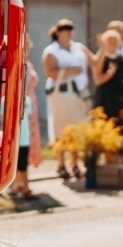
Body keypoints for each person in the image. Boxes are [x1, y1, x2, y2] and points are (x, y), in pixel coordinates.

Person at [42, 19, 90, 178]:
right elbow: (49, 72)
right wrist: (71, 71)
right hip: (61, 95)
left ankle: (75, 163)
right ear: (57, 32)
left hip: (77, 94)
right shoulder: (51, 51)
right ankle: (61, 164)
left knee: (75, 129)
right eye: (64, 29)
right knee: (61, 129)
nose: (68, 32)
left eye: (70, 29)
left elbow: (94, 61)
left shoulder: (77, 48)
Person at [10, 41, 44, 199]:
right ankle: (18, 183)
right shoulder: (16, 63)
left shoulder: (28, 64)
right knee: (18, 148)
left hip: (30, 105)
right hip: (20, 104)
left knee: (26, 144)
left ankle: (20, 183)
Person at [91, 28, 123, 122]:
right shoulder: (102, 57)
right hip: (105, 96)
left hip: (119, 96)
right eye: (110, 41)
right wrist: (110, 73)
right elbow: (98, 80)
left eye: (115, 41)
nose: (113, 43)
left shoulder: (121, 58)